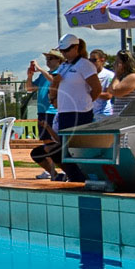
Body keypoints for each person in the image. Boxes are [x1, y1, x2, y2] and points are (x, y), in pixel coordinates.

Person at [45, 34, 101, 183]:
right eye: (62, 50)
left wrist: (85, 103)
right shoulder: (64, 66)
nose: (64, 53)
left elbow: (96, 88)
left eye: (67, 50)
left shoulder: (85, 65)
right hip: (64, 113)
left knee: (76, 149)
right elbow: (56, 86)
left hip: (80, 113)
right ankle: (76, 177)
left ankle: (82, 177)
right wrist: (54, 96)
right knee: (63, 151)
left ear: (76, 48)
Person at [26, 49, 63, 180]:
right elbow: (29, 88)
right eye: (47, 59)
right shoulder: (43, 76)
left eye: (51, 59)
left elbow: (53, 80)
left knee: (53, 142)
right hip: (42, 112)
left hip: (53, 112)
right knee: (46, 141)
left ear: (58, 60)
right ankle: (51, 171)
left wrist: (40, 69)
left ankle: (55, 170)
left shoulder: (59, 72)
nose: (48, 61)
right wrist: (30, 75)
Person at [107, 49, 135, 114]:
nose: (114, 64)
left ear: (125, 63)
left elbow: (115, 91)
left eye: (117, 62)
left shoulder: (133, 77)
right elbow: (110, 90)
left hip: (130, 116)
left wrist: (117, 74)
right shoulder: (122, 78)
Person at [89, 49, 115, 122]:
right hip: (90, 112)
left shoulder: (109, 75)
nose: (91, 63)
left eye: (94, 60)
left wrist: (92, 92)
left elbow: (108, 95)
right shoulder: (88, 75)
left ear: (102, 60)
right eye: (90, 60)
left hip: (103, 113)